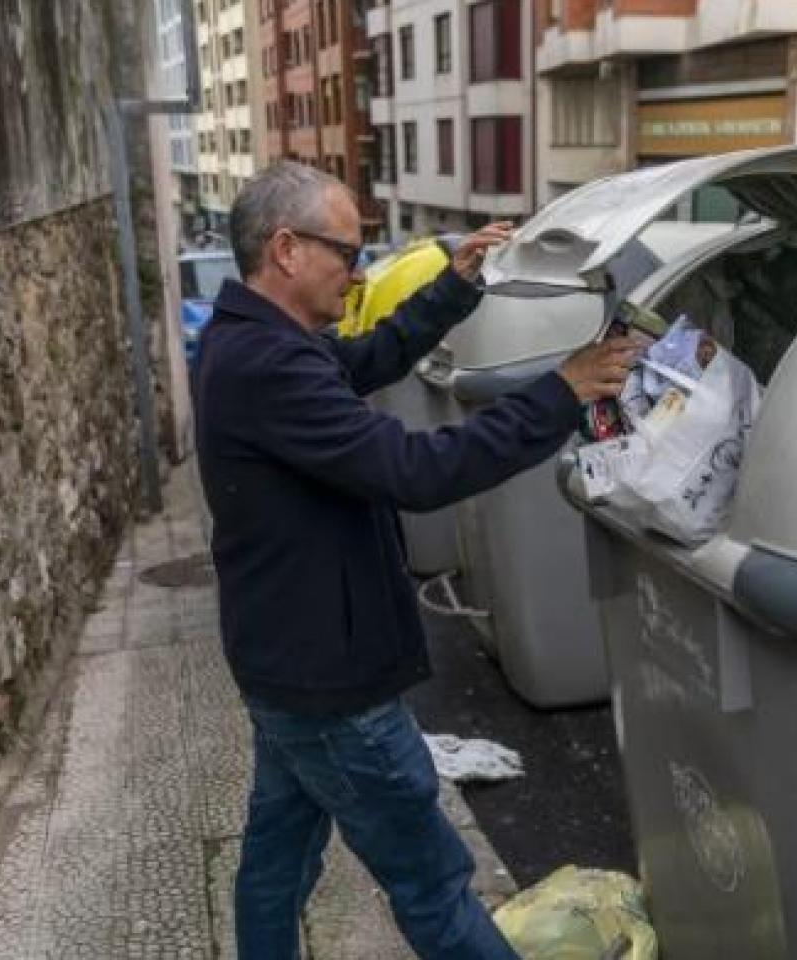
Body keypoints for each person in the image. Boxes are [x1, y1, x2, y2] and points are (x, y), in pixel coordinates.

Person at [193, 161, 637, 960]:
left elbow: (365, 360)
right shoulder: (270, 364)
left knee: (278, 854)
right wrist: (560, 392)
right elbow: (418, 472)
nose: (358, 270)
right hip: (333, 684)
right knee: (433, 884)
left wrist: (455, 288)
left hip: (282, 663)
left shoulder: (256, 340)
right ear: (287, 249)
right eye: (348, 251)